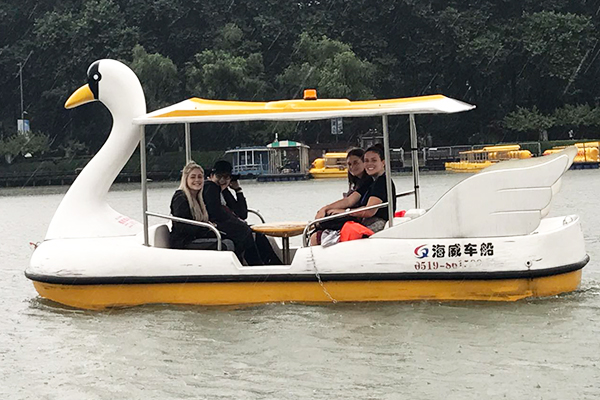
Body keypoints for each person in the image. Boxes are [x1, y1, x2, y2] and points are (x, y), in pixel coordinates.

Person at [310, 144, 396, 245]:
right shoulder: (371, 182)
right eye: (366, 161)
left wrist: (344, 212)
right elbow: (350, 200)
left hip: (375, 224)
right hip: (365, 221)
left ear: (383, 162)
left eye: (374, 160)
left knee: (317, 236)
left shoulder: (382, 182)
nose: (369, 164)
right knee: (321, 224)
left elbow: (369, 211)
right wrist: (325, 208)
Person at [203, 160, 281, 265]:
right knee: (245, 232)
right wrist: (238, 223)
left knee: (257, 234)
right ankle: (257, 265)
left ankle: (274, 264)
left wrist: (238, 190)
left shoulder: (224, 192)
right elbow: (216, 212)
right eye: (219, 176)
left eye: (226, 177)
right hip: (216, 226)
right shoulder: (210, 187)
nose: (222, 180)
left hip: (227, 225)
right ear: (212, 176)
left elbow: (242, 214)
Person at [170, 161, 234, 251]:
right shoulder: (180, 198)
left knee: (232, 236)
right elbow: (182, 226)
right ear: (186, 179)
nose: (197, 180)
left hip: (195, 237)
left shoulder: (198, 198)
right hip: (184, 242)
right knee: (226, 244)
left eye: (200, 177)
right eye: (193, 177)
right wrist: (206, 227)